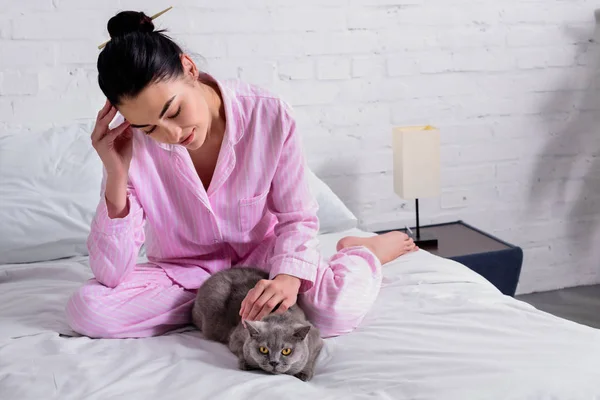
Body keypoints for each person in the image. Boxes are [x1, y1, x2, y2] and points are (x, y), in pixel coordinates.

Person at [65, 10, 418, 339]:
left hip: (264, 263)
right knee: (90, 311)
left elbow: (297, 218)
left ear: (189, 68)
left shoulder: (268, 115)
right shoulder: (133, 145)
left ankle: (362, 252)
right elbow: (110, 273)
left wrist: (287, 277)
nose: (171, 135)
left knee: (333, 314)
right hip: (186, 275)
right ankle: (220, 308)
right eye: (149, 127)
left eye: (173, 111)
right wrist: (115, 171)